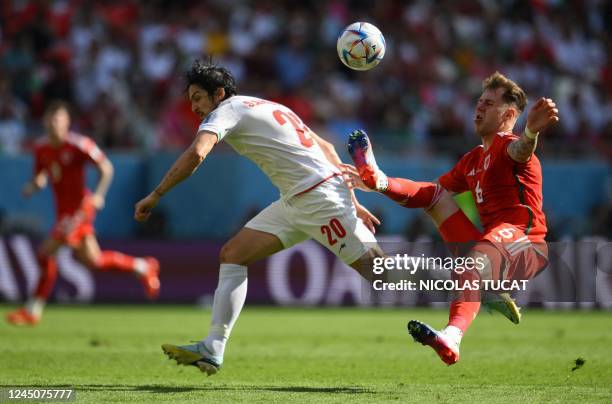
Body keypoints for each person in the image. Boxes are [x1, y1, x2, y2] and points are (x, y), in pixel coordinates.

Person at [134, 60, 382, 376]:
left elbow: (197, 154)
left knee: (383, 275)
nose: (194, 106)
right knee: (233, 254)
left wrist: (156, 194)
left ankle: (455, 291)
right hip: (297, 199)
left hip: (318, 199)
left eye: (198, 97)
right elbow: (325, 146)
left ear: (218, 94)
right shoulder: (266, 105)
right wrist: (351, 198)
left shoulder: (226, 111)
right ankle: (213, 347)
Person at [346, 72, 559, 365]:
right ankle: (488, 287)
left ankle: (452, 337)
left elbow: (520, 150)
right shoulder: (472, 160)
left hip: (526, 244)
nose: (479, 108)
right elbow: (428, 193)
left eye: (488, 103)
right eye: (479, 101)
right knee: (437, 198)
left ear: (509, 113)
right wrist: (379, 183)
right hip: (492, 243)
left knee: (470, 266)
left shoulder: (506, 145)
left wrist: (531, 133)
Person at [6, 102, 160, 326]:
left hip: (80, 209)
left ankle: (33, 310)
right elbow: (40, 176)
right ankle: (143, 266)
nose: (53, 124)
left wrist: (98, 195)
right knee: (93, 260)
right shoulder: (41, 149)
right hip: (63, 212)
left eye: (58, 119)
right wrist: (34, 185)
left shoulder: (79, 145)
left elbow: (106, 168)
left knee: (45, 253)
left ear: (67, 122)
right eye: (50, 119)